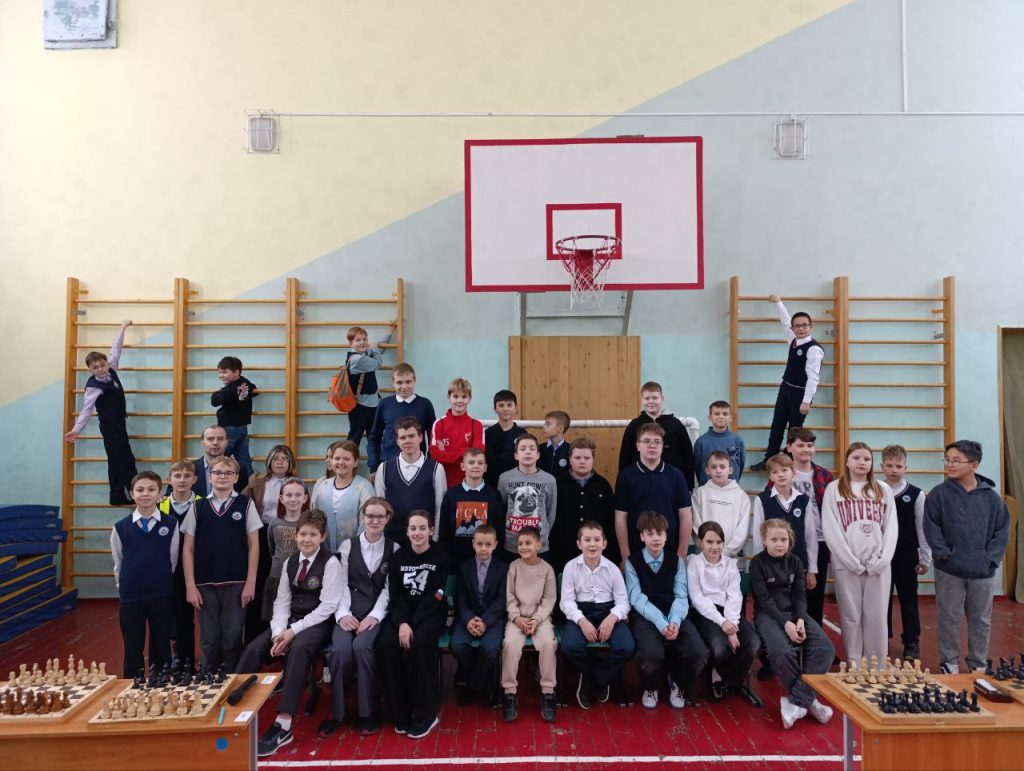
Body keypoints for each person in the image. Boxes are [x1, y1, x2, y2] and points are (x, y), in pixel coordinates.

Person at [237, 510, 343, 758]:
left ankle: (283, 725)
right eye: (303, 534)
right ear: (296, 536)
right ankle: (234, 703)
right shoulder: (290, 562)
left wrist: (292, 632)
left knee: (298, 650)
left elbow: (328, 606)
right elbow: (282, 601)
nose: (307, 539)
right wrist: (278, 632)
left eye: (313, 535)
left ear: (323, 537)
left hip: (318, 623)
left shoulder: (331, 563)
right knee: (254, 648)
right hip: (290, 621)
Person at [924, 439, 1010, 674]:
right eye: (947, 460)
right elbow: (931, 528)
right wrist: (944, 555)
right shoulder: (938, 495)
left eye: (956, 460)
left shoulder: (992, 498)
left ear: (974, 465)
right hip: (949, 570)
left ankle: (978, 664)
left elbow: (1001, 532)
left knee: (981, 620)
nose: (950, 465)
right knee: (948, 618)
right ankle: (949, 662)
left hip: (982, 572)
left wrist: (990, 560)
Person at [320, 497, 399, 737]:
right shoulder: (347, 546)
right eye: (370, 516)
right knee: (340, 651)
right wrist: (343, 614)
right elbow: (341, 583)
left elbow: (389, 589)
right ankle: (337, 712)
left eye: (380, 516)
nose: (374, 520)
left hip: (375, 614)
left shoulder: (394, 549)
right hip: (348, 611)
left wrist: (375, 616)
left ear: (387, 519)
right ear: (362, 517)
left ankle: (368, 711)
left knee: (363, 648)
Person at [749, 518, 834, 729]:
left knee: (825, 648)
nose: (779, 544)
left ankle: (798, 700)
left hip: (795, 614)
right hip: (768, 616)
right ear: (764, 540)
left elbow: (799, 595)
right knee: (781, 652)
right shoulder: (757, 563)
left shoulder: (795, 561)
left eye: (783, 540)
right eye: (774, 540)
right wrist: (786, 623)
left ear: (790, 541)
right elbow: (764, 600)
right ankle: (810, 701)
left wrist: (801, 620)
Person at [181, 456, 261, 672]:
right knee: (209, 638)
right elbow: (188, 548)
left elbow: (254, 545)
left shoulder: (246, 504)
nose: (222, 477)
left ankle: (232, 679)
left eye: (228, 473)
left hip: (237, 582)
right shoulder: (198, 506)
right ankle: (209, 679)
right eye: (217, 472)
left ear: (236, 478)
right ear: (210, 476)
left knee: (233, 637)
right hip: (204, 583)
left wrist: (250, 582)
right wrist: (190, 586)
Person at [821, 442, 897, 666]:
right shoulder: (834, 489)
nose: (862, 462)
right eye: (856, 458)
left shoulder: (883, 489)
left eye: (866, 459)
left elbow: (891, 528)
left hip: (878, 566)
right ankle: (854, 664)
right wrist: (851, 561)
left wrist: (881, 560)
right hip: (847, 565)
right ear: (847, 461)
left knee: (877, 616)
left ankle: (876, 666)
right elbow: (831, 529)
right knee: (851, 616)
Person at [376, 510, 450, 739]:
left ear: (431, 530)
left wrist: (412, 623)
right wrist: (402, 622)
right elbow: (396, 595)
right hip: (402, 617)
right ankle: (400, 710)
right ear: (407, 532)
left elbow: (437, 595)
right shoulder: (398, 558)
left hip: (430, 615)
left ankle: (427, 713)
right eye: (413, 528)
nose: (418, 533)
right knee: (386, 645)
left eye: (422, 528)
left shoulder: (441, 556)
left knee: (420, 646)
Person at [626, 512, 708, 710]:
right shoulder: (632, 562)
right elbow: (637, 598)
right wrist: (661, 623)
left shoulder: (677, 561)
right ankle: (651, 687)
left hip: (674, 614)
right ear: (642, 536)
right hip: (646, 616)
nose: (655, 538)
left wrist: (674, 621)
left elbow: (681, 595)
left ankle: (678, 683)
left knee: (698, 652)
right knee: (651, 655)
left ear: (666, 535)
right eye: (650, 533)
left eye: (660, 533)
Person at [559, 521, 635, 709]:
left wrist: (612, 618)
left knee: (626, 646)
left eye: (597, 540)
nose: (592, 544)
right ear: (579, 544)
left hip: (608, 611)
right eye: (587, 540)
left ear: (604, 543)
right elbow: (566, 602)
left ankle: (593, 680)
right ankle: (598, 678)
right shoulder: (570, 567)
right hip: (581, 612)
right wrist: (582, 621)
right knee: (569, 646)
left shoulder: (613, 569)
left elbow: (623, 602)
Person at [111, 471, 178, 678]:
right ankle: (133, 685)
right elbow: (119, 563)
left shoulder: (171, 524)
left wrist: (160, 580)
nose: (145, 494)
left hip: (161, 594)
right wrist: (126, 588)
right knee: (133, 646)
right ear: (132, 494)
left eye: (151, 489)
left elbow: (172, 559)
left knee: (161, 644)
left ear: (160, 494)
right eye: (140, 490)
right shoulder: (120, 528)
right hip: (131, 596)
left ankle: (160, 683)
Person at [64, 319, 137, 505]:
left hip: (119, 424)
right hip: (110, 428)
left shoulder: (111, 369)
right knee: (126, 460)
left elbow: (116, 349)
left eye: (103, 365)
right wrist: (76, 430)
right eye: (95, 368)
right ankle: (137, 493)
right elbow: (86, 411)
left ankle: (116, 496)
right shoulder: (93, 386)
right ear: (89, 370)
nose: (101, 369)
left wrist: (122, 327)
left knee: (115, 460)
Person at [687, 521, 761, 705]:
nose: (715, 547)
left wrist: (732, 624)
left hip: (729, 612)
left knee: (752, 643)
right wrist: (722, 623)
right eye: (709, 542)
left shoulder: (730, 564)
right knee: (719, 647)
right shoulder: (694, 563)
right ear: (700, 542)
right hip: (704, 613)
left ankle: (721, 676)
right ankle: (712, 675)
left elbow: (734, 596)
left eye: (719, 542)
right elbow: (697, 598)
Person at [749, 296, 824, 471]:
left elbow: (813, 377)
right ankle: (769, 460)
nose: (801, 328)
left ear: (811, 326)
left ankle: (789, 465)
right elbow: (784, 321)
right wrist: (778, 302)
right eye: (797, 326)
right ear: (793, 328)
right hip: (786, 389)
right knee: (777, 425)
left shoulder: (813, 349)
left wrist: (806, 401)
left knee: (794, 432)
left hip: (800, 394)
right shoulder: (793, 340)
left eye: (804, 325)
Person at [880, 444, 932, 661]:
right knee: (881, 601)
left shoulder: (916, 494)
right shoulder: (875, 491)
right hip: (881, 555)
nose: (894, 470)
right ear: (882, 467)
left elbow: (922, 527)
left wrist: (925, 557)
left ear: (906, 468)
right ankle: (882, 639)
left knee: (908, 600)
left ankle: (911, 641)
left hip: (906, 554)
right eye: (890, 465)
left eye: (898, 466)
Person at [501, 526, 558, 723]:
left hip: (540, 620)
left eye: (528, 543)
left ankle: (548, 692)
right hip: (517, 619)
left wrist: (537, 619)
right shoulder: (514, 567)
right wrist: (516, 617)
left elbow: (549, 599)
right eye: (520, 544)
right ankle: (509, 692)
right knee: (510, 644)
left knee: (548, 643)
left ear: (538, 546)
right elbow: (510, 597)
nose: (523, 547)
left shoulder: (547, 569)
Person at [615, 423, 693, 563]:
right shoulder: (626, 476)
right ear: (638, 445)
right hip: (636, 552)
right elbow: (620, 518)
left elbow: (685, 516)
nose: (652, 445)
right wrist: (626, 556)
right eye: (646, 441)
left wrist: (682, 553)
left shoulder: (676, 475)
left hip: (670, 551)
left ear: (662, 446)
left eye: (657, 442)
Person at [451, 525, 509, 705]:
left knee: (490, 649)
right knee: (458, 645)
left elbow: (501, 600)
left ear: (495, 545)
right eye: (480, 544)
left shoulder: (503, 568)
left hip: (492, 619)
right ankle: (473, 676)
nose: (483, 548)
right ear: (473, 544)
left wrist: (485, 621)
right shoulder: (464, 567)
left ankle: (475, 684)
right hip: (467, 618)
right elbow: (460, 598)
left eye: (488, 544)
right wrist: (469, 619)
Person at [783, 428, 834, 627]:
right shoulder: (782, 474)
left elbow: (832, 509)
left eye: (810, 445)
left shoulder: (825, 475)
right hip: (791, 542)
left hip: (820, 541)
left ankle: (814, 639)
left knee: (815, 593)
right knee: (789, 593)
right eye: (801, 445)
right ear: (789, 447)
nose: (806, 449)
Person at [373, 417, 447, 544]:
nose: (407, 441)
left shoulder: (436, 468)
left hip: (424, 540)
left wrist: (435, 537)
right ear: (397, 441)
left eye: (411, 436)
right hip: (392, 539)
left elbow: (440, 507)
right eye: (402, 438)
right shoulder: (384, 468)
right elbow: (380, 507)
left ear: (421, 437)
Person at [551, 437, 618, 571]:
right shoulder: (558, 484)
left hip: (596, 553)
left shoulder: (603, 485)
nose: (582, 461)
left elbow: (610, 521)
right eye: (577, 458)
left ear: (593, 459)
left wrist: (614, 555)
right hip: (564, 552)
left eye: (587, 458)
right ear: (570, 459)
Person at [159, 460, 202, 666]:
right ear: (169, 480)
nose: (182, 480)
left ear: (195, 479)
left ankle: (195, 659)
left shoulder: (203, 504)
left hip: (199, 569)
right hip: (171, 571)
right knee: (175, 616)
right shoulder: (160, 506)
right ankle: (180, 657)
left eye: (187, 476)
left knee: (197, 618)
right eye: (177, 476)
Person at [618, 381, 697, 488]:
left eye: (655, 398)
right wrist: (622, 485)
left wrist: (688, 486)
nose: (651, 401)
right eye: (647, 398)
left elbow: (687, 456)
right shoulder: (634, 425)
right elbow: (625, 456)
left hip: (672, 483)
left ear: (662, 398)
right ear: (642, 400)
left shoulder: (676, 425)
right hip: (640, 482)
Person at [751, 454, 817, 578]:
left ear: (793, 472)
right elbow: (758, 536)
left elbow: (810, 536)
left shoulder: (803, 500)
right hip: (770, 566)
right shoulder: (762, 500)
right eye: (775, 472)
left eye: (784, 470)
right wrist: (759, 566)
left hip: (799, 564)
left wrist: (812, 569)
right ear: (770, 476)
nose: (780, 475)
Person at [438, 448, 505, 569]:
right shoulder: (451, 495)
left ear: (485, 467)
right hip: (455, 560)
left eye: (480, 463)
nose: (476, 466)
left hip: (486, 559)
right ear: (463, 466)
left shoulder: (494, 495)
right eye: (471, 462)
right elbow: (444, 529)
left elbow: (499, 529)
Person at [367, 363, 436, 476]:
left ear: (414, 381)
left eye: (408, 382)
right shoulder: (384, 404)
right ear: (393, 383)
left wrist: (430, 462)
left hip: (417, 465)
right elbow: (374, 437)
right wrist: (374, 466)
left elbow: (433, 437)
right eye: (399, 382)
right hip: (388, 464)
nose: (404, 386)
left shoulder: (425, 405)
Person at [497, 433, 558, 561]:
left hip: (539, 545)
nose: (528, 452)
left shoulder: (549, 480)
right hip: (512, 544)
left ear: (538, 455)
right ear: (516, 455)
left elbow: (551, 512)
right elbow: (501, 509)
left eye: (532, 448)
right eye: (523, 449)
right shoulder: (505, 478)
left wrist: (543, 533)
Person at [311, 440, 375, 552]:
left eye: (346, 459)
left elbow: (367, 522)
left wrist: (356, 549)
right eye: (337, 458)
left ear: (356, 462)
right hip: (323, 550)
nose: (341, 462)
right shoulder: (323, 485)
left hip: (354, 551)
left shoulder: (364, 487)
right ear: (331, 460)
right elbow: (314, 516)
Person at [691, 450, 751, 568]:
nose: (718, 470)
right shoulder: (700, 493)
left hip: (731, 558)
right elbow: (695, 525)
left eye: (722, 467)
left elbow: (743, 529)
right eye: (714, 467)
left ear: (730, 469)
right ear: (707, 470)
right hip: (704, 557)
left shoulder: (741, 496)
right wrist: (708, 548)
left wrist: (727, 552)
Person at [343, 322, 397, 449]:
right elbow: (378, 363)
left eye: (364, 339)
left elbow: (380, 350)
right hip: (360, 407)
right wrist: (374, 347)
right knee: (354, 438)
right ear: (350, 343)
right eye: (358, 340)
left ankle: (375, 462)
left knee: (374, 438)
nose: (362, 342)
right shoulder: (357, 359)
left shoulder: (364, 353)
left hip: (373, 404)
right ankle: (346, 460)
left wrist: (390, 331)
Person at [262, 477, 309, 622]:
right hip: (277, 577)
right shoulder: (274, 524)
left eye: (298, 495)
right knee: (276, 621)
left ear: (305, 498)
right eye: (289, 495)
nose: (293, 499)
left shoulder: (310, 525)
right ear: (282, 499)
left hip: (302, 580)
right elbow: (272, 549)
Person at [430, 377, 485, 488]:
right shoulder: (439, 424)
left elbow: (476, 455)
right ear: (449, 397)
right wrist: (465, 450)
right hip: (443, 483)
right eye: (455, 396)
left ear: (469, 398)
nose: (459, 400)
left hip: (468, 484)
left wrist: (448, 455)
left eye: (464, 397)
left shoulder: (476, 425)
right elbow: (436, 455)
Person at [211, 355, 259, 478]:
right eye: (219, 372)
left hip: (228, 427)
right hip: (242, 427)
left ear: (236, 372)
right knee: (244, 458)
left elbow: (215, 402)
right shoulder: (245, 382)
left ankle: (219, 479)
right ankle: (250, 482)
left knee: (222, 457)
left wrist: (216, 392)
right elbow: (255, 390)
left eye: (224, 372)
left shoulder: (230, 388)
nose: (221, 375)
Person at [693, 400, 745, 485]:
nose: (721, 417)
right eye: (717, 414)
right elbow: (697, 468)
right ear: (710, 417)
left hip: (731, 488)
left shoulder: (737, 440)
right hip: (708, 488)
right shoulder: (701, 442)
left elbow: (741, 465)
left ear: (730, 418)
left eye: (725, 414)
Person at [484, 389, 527, 488]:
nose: (505, 409)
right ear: (495, 409)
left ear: (516, 408)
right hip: (492, 483)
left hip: (516, 484)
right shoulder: (488, 433)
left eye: (509, 405)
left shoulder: (522, 434)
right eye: (501, 405)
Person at [191, 424, 249, 496]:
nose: (215, 443)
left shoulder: (240, 469)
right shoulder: (191, 468)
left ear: (226, 443)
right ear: (202, 443)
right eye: (210, 439)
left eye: (220, 439)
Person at [242, 445, 297, 518]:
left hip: (288, 523)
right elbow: (241, 501)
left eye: (284, 459)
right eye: (275, 459)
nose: (280, 462)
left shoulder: (297, 483)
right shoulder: (257, 481)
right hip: (262, 523)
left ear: (290, 462)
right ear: (270, 461)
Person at [539, 410, 572, 483]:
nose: (543, 427)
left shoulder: (571, 450)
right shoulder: (539, 449)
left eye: (548, 424)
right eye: (544, 424)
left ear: (560, 428)